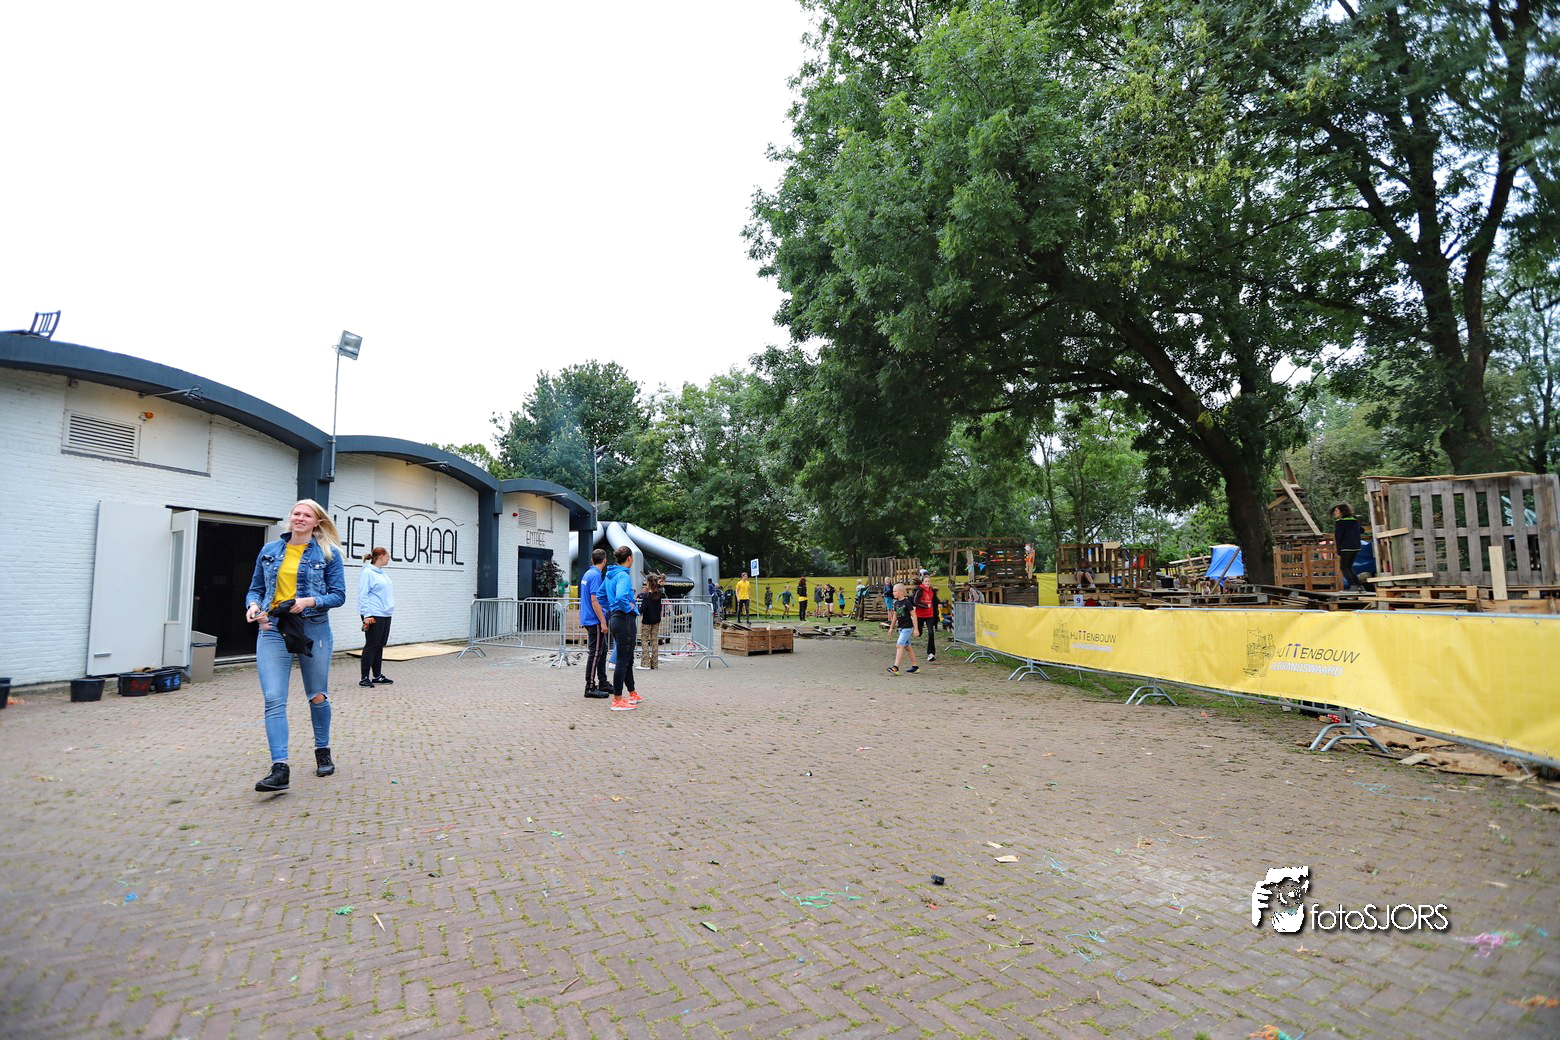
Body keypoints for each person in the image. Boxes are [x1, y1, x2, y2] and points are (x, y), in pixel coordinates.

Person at [244, 499, 346, 793]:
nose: (300, 518)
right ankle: (280, 768)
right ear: (290, 518)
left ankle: (322, 749)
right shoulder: (270, 550)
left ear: (317, 522)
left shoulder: (328, 553)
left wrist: (309, 601)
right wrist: (252, 606)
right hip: (272, 628)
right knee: (274, 698)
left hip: (313, 628)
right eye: (296, 513)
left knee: (317, 695)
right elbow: (256, 589)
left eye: (307, 515)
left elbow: (338, 595)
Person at [603, 545, 641, 711]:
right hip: (624, 619)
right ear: (630, 558)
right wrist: (628, 608)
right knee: (623, 660)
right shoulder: (623, 576)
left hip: (615, 618)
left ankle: (632, 693)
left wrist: (612, 608)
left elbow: (600, 595)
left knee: (627, 657)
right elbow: (620, 596)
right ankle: (617, 699)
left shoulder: (609, 575)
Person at [357, 547, 395, 688]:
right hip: (373, 614)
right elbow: (363, 594)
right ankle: (364, 677)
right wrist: (366, 615)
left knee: (379, 645)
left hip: (385, 614)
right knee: (371, 645)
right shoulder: (367, 572)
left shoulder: (381, 573)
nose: (389, 558)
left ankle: (377, 676)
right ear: (381, 556)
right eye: (387, 556)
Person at [579, 548, 610, 698]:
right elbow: (594, 600)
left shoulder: (587, 573)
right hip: (594, 620)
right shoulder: (596, 575)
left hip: (588, 617)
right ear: (605, 561)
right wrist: (602, 621)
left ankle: (602, 682)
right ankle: (590, 687)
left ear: (592, 560)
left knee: (602, 650)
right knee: (596, 653)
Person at [887, 582, 920, 675]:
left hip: (907, 628)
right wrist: (891, 628)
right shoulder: (896, 603)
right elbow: (895, 616)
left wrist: (916, 629)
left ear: (901, 592)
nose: (893, 593)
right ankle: (915, 667)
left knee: (899, 645)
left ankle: (895, 667)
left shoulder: (907, 603)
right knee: (907, 647)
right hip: (901, 628)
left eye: (895, 591)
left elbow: (914, 615)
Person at [1332, 503, 1364, 591]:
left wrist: (1338, 549)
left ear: (1342, 512)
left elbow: (1338, 537)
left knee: (1344, 567)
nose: (1334, 512)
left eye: (1336, 511)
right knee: (1349, 567)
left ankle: (1353, 586)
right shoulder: (1354, 521)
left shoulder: (1340, 522)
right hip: (1356, 547)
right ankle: (1359, 586)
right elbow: (1362, 530)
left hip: (1346, 547)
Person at [639, 574, 664, 669]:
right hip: (656, 620)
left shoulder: (646, 596)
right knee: (654, 640)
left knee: (644, 640)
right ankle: (654, 663)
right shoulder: (659, 594)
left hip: (647, 620)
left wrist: (637, 610)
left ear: (648, 583)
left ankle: (646, 663)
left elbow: (643, 609)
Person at [914, 572, 939, 660]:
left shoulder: (932, 591)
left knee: (931, 633)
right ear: (923, 582)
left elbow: (935, 601)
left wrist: (941, 603)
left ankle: (931, 653)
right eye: (926, 581)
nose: (928, 583)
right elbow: (916, 601)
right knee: (919, 633)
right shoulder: (919, 590)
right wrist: (925, 605)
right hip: (920, 615)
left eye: (929, 581)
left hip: (930, 615)